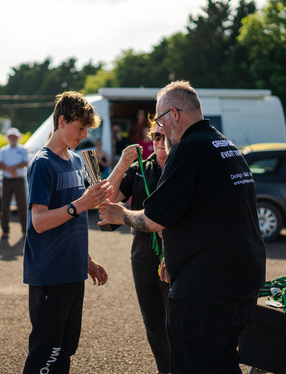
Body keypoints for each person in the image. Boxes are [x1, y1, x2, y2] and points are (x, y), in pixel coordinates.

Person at [99, 81, 266, 374]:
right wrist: (173, 254)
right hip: (243, 282)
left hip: (207, 290)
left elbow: (153, 219)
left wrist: (121, 214)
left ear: (175, 114)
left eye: (161, 120)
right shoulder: (225, 145)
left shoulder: (189, 149)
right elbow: (206, 213)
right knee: (224, 362)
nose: (160, 130)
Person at [23, 91, 111, 373]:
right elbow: (38, 221)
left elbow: (69, 224)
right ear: (62, 121)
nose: (84, 134)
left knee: (64, 351)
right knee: (45, 355)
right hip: (49, 273)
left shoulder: (76, 160)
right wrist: (81, 204)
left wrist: (86, 260)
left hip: (72, 271)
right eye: (80, 127)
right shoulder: (42, 164)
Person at [107, 123, 171, 374]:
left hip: (176, 255)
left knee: (176, 321)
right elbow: (108, 201)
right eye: (155, 135)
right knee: (153, 323)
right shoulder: (140, 170)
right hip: (143, 256)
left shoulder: (182, 168)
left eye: (164, 135)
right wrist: (122, 163)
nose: (159, 140)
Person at [0, 128, 28, 239]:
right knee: (5, 206)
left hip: (18, 180)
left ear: (17, 137)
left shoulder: (23, 149)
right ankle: (5, 230)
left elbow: (25, 162)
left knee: (22, 206)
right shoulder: (3, 150)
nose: (12, 138)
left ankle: (25, 230)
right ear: (8, 137)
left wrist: (14, 168)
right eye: (10, 136)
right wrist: (9, 169)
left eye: (14, 136)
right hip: (7, 180)